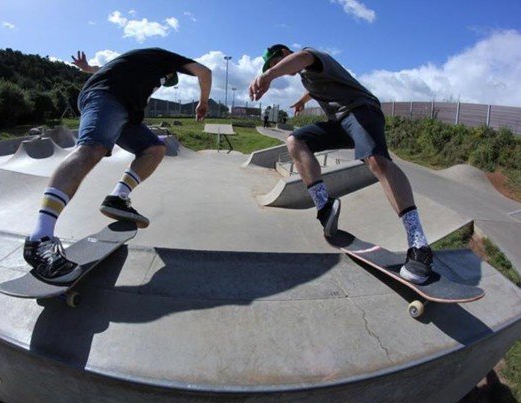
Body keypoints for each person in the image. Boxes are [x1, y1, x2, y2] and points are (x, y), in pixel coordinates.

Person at [23, 48, 212, 283]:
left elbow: (103, 68)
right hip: (107, 96)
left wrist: (87, 68)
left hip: (127, 113)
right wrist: (203, 102)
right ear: (172, 69)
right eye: (166, 79)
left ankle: (118, 197)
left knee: (154, 149)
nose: (161, 83)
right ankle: (39, 237)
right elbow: (205, 71)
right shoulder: (162, 57)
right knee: (91, 148)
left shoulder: (136, 65)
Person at [249, 44, 432, 284]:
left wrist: (268, 75)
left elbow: (301, 59)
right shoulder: (307, 78)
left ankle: (419, 244)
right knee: (295, 141)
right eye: (271, 68)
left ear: (284, 54)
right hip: (340, 123)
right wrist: (303, 100)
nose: (275, 70)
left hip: (361, 111)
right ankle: (324, 207)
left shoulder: (309, 56)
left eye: (275, 64)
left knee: (376, 160)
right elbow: (316, 88)